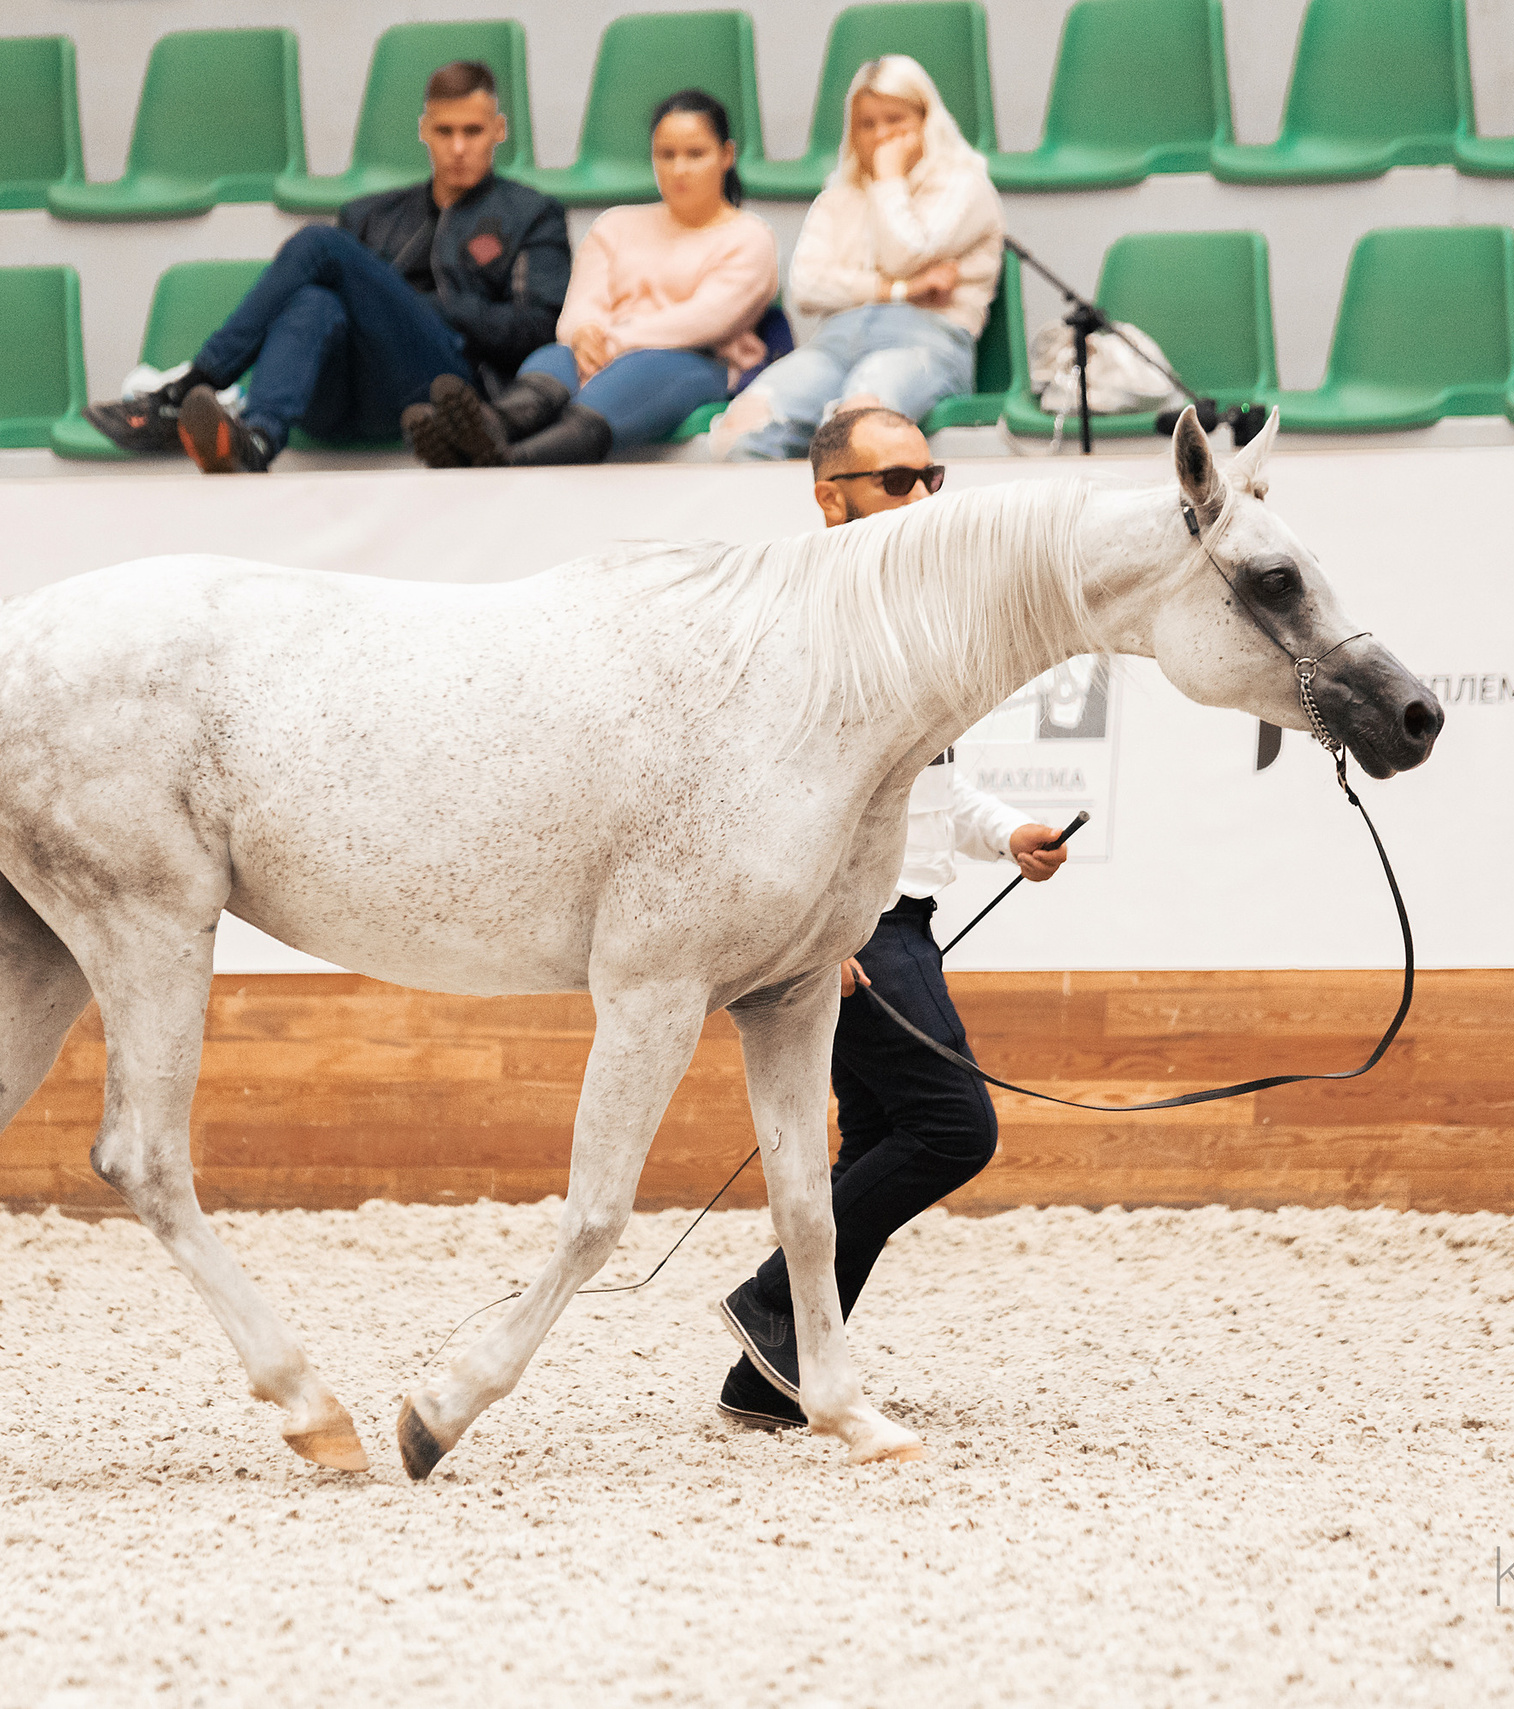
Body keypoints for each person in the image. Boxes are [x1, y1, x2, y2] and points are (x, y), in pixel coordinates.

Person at [714, 405, 1072, 1431]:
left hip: (900, 921)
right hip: (851, 927)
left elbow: (938, 791)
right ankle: (771, 1300)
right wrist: (814, 930)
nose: (924, 498)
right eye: (898, 480)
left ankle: (767, 1375)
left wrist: (1009, 836)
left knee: (877, 1131)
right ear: (831, 499)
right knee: (953, 1126)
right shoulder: (796, 625)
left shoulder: (915, 624)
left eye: (932, 477)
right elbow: (765, 797)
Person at [81, 61, 570, 474]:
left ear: (499, 131)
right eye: (445, 131)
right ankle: (256, 441)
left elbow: (537, 327)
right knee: (314, 301)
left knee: (320, 244)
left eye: (473, 131)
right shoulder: (371, 214)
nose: (458, 147)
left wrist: (430, 306)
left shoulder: (530, 214)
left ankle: (189, 387)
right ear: (424, 131)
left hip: (443, 390)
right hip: (341, 393)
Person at [405, 90, 778, 469]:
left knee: (629, 376)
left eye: (695, 154)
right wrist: (584, 334)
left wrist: (612, 342)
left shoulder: (749, 236)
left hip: (695, 361)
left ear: (726, 156)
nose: (679, 169)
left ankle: (501, 461)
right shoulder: (615, 225)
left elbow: (706, 319)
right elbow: (581, 305)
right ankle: (488, 428)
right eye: (666, 154)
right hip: (595, 352)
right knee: (551, 358)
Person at [718, 57, 1004, 462]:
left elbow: (903, 254)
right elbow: (807, 286)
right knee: (739, 428)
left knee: (858, 428)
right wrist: (902, 289)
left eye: (895, 120)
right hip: (834, 344)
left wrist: (889, 179)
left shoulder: (965, 186)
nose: (881, 135)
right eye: (866, 124)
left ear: (927, 119)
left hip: (925, 343)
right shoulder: (838, 195)